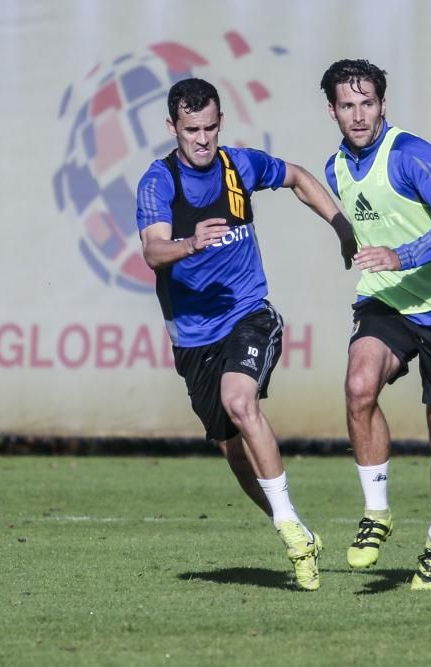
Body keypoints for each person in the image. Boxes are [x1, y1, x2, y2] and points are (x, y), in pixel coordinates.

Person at [135, 77, 356, 591]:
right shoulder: (158, 181)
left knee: (240, 401)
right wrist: (189, 244)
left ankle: (289, 535)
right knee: (233, 453)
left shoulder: (238, 166)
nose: (203, 140)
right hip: (193, 339)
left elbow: (298, 177)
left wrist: (341, 225)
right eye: (191, 130)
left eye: (211, 127)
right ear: (172, 128)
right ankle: (296, 524)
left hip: (248, 313)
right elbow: (152, 251)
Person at [319, 60, 431, 590]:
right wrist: (351, 239)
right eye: (348, 105)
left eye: (367, 103)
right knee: (358, 387)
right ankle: (376, 512)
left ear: (383, 105)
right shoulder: (336, 168)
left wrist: (404, 255)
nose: (359, 114)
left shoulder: (409, 154)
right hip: (385, 303)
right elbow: (362, 218)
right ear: (333, 111)